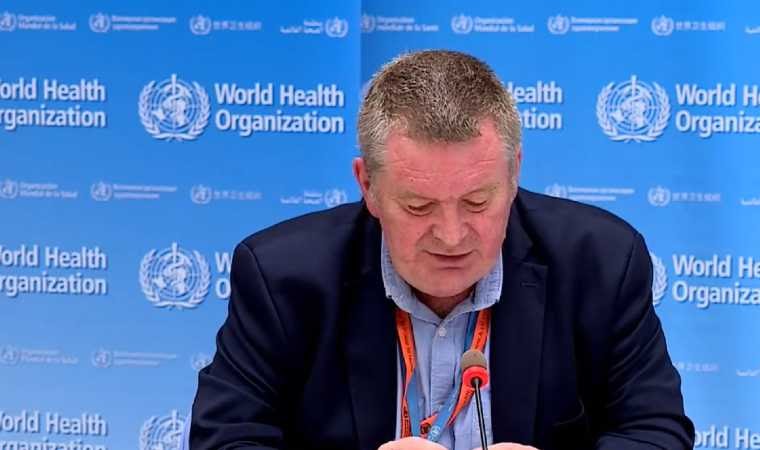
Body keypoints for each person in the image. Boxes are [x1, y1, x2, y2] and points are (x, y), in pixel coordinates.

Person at [191, 50, 694, 450]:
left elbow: (655, 432)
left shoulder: (601, 263)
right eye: (418, 206)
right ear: (367, 187)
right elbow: (226, 439)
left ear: (514, 174)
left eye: (477, 202)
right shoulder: (283, 278)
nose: (451, 236)